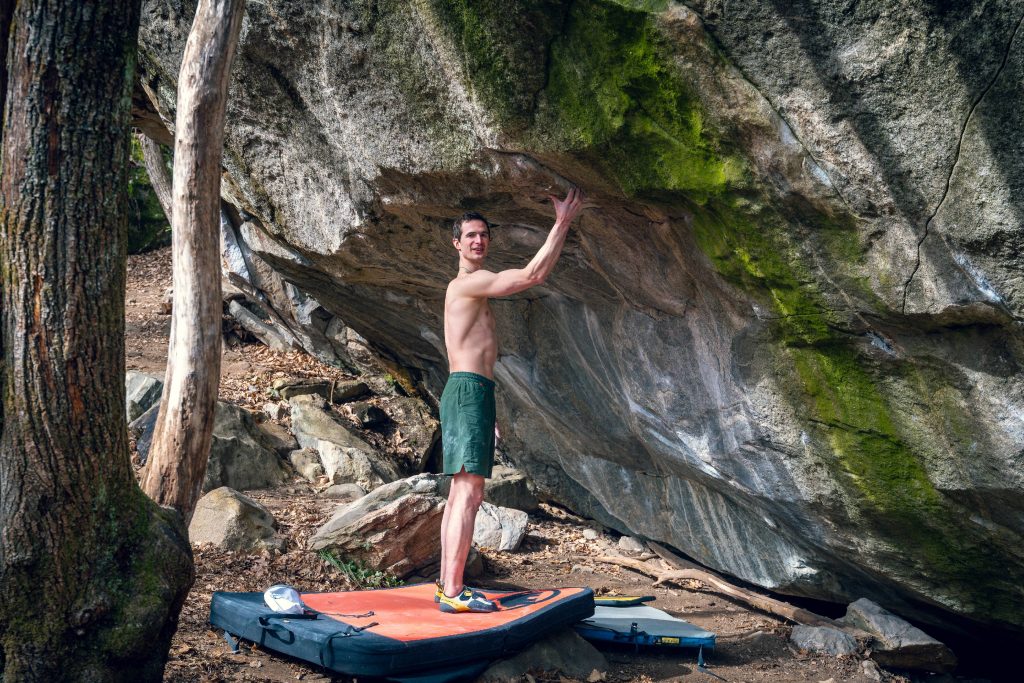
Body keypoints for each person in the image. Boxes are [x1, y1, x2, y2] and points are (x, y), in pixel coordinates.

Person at [435, 188, 585, 613]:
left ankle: (447, 585)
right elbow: (532, 275)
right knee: (468, 492)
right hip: (467, 391)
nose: (478, 241)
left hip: (474, 392)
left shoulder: (471, 289)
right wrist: (562, 222)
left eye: (483, 234)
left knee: (462, 492)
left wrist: (485, 408)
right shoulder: (468, 284)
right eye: (470, 235)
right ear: (457, 243)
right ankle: (452, 590)